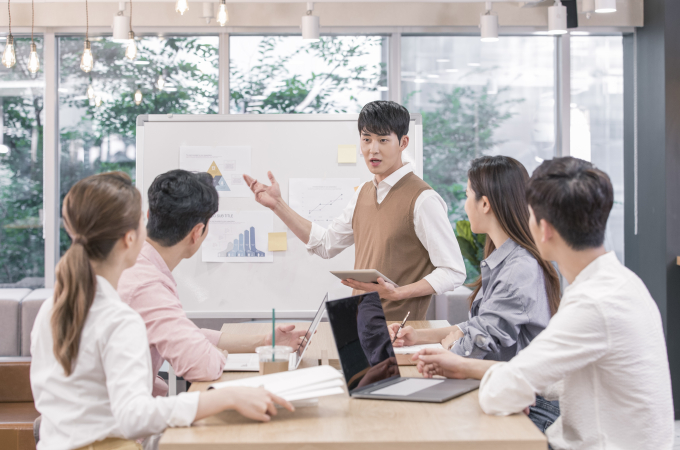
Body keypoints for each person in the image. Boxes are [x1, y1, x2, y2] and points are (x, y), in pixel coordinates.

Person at [413, 157, 674, 449]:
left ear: (544, 228)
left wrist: (507, 383)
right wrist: (473, 370)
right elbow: (554, 380)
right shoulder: (619, 283)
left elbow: (500, 394)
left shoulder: (593, 303)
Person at [30, 172, 294, 450]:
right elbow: (134, 416)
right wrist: (226, 398)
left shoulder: (54, 306)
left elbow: (175, 331)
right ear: (130, 238)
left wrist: (259, 341)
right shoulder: (124, 314)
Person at [243, 101, 466, 320]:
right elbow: (325, 245)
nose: (373, 149)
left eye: (383, 140)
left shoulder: (423, 199)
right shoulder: (363, 193)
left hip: (401, 335)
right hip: (358, 326)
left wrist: (398, 293)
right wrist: (278, 205)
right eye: (366, 139)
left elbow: (453, 271)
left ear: (403, 142)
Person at [389, 155, 561, 431]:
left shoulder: (519, 270)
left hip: (531, 408)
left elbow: (469, 348)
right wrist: (420, 336)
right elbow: (478, 328)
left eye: (468, 195)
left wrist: (454, 343)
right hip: (507, 393)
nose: (465, 205)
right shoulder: (505, 261)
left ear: (485, 203)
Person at [118, 169, 307, 397]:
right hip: (125, 423)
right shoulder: (146, 285)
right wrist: (210, 353)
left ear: (149, 215)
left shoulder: (138, 264)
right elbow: (202, 364)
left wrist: (264, 341)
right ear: (198, 232)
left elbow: (183, 333)